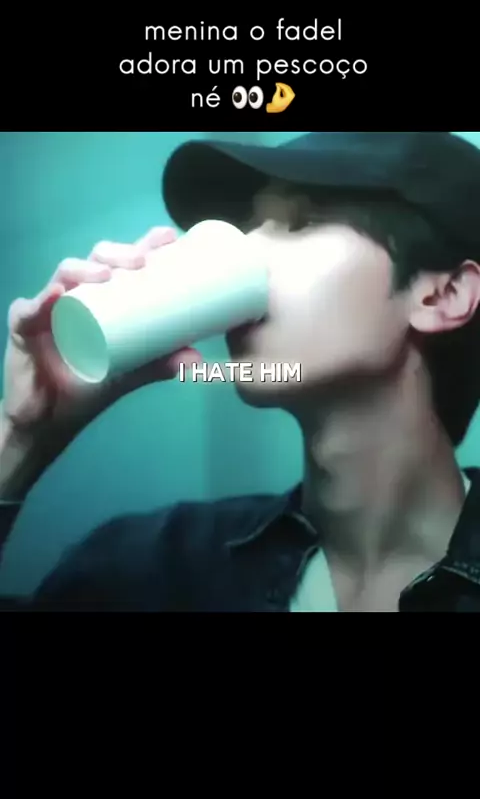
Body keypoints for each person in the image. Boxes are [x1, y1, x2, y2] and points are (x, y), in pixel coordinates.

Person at [2, 131, 480, 612]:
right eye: (246, 227)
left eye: (300, 223)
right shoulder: (149, 567)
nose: (243, 252)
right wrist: (21, 441)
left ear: (442, 296)